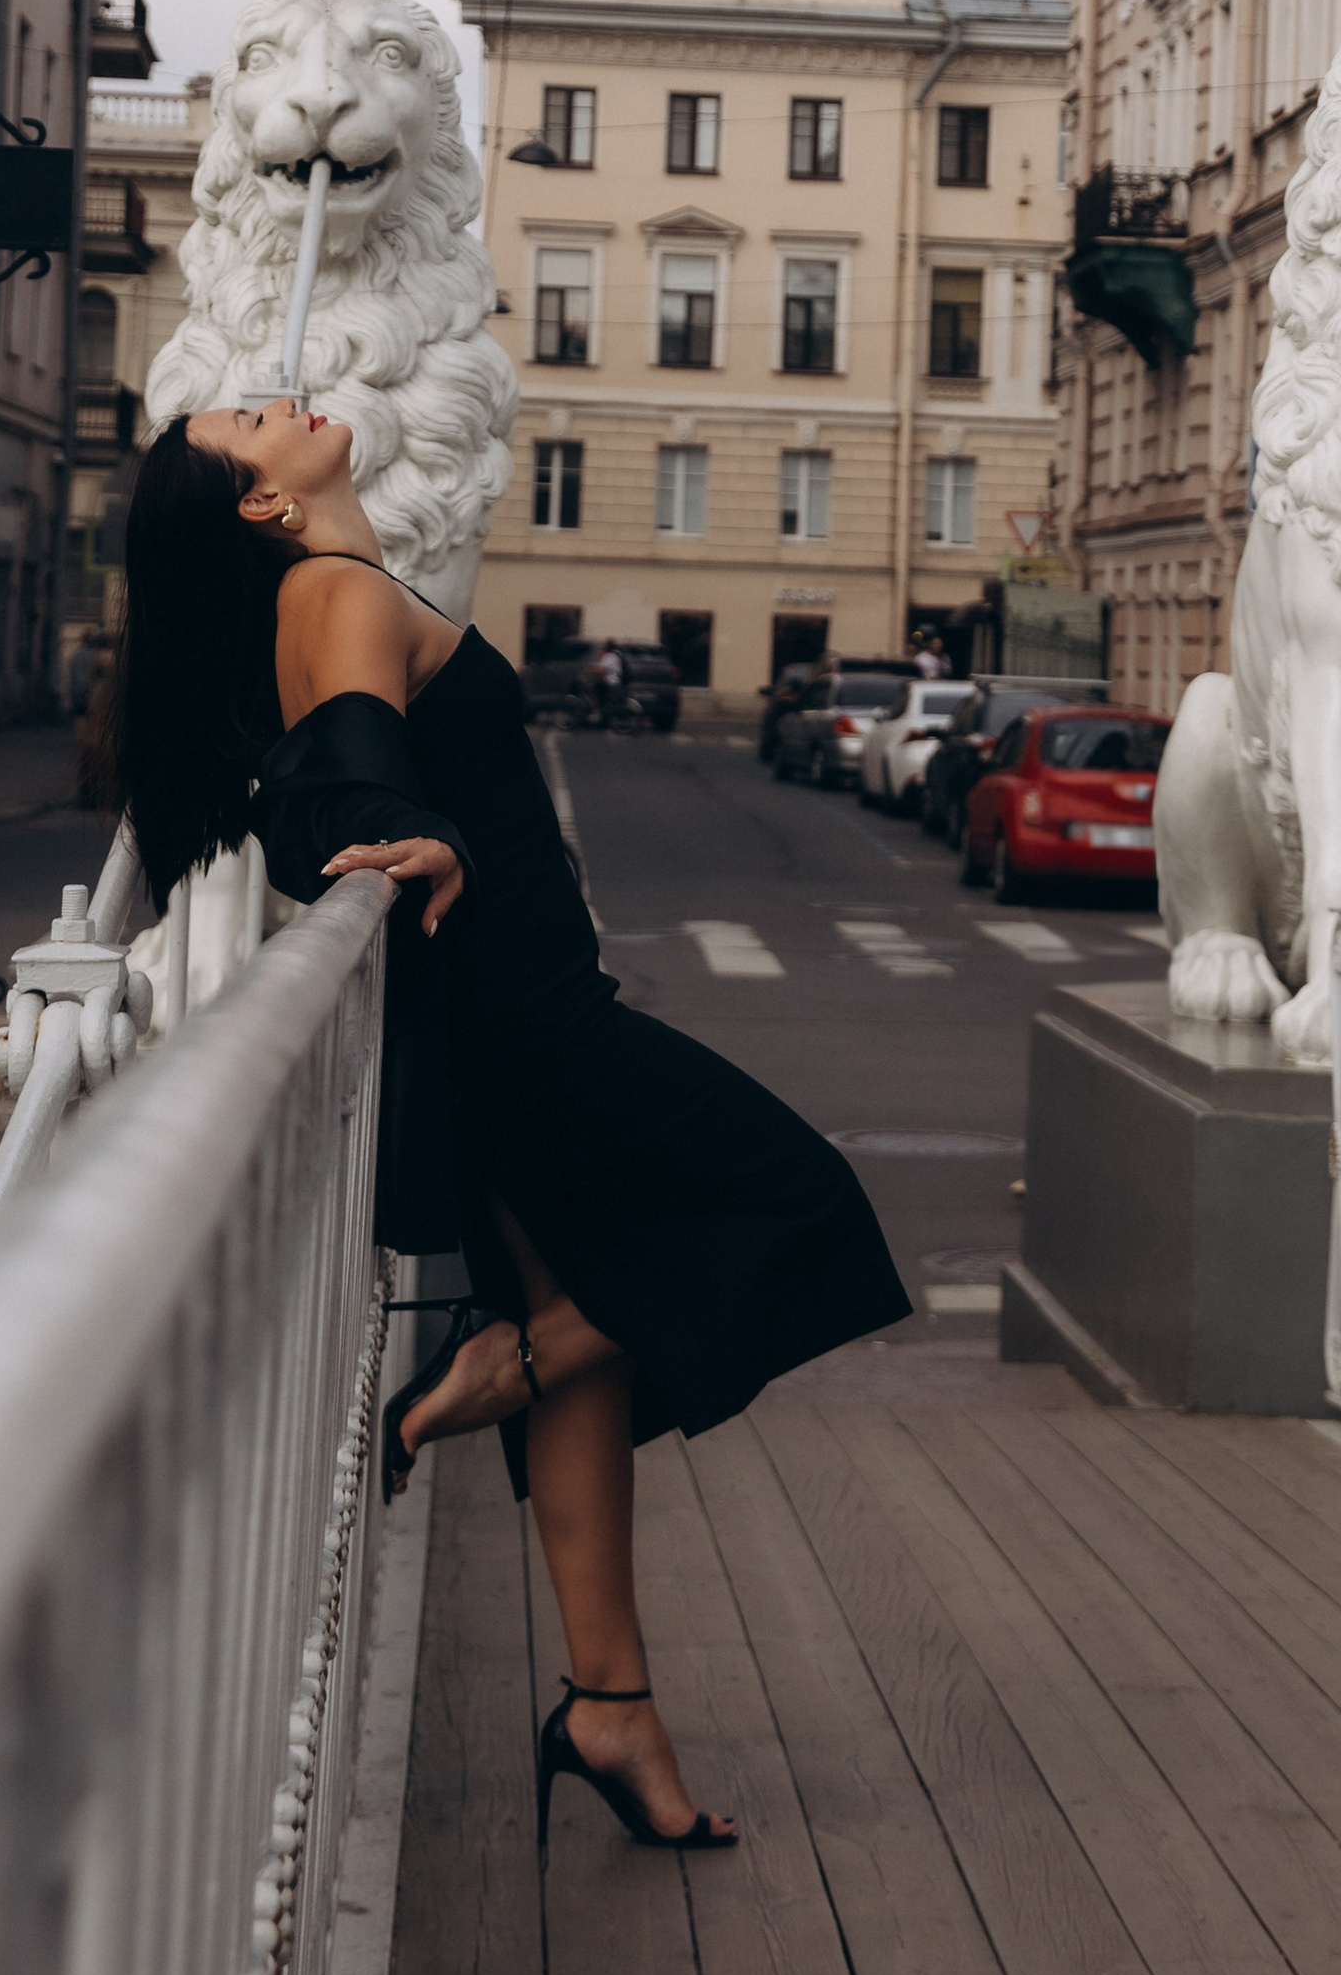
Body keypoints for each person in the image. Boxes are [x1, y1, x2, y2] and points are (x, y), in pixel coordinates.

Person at [107, 394, 909, 1854]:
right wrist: (426, 833)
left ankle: (611, 1706)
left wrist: (417, 822)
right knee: (804, 1199)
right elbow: (340, 794)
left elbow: (311, 791)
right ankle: (482, 1371)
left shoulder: (331, 585)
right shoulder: (336, 591)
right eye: (248, 421)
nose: (279, 399)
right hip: (533, 1024)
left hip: (496, 1029)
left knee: (589, 1376)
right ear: (263, 505)